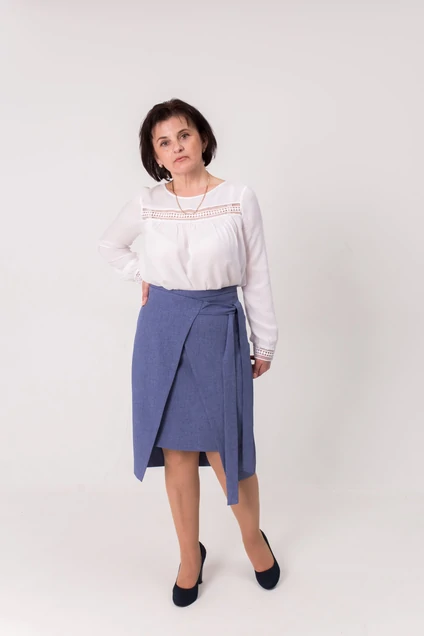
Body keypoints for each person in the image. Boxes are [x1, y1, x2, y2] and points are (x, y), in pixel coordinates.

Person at [98, 98, 280, 606]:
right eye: (164, 142)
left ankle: (252, 539)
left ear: (202, 138)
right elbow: (110, 246)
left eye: (183, 135)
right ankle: (188, 556)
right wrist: (143, 274)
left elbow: (256, 274)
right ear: (155, 155)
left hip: (218, 327)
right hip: (160, 330)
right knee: (177, 450)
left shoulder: (238, 198)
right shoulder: (147, 202)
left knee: (227, 447)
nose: (176, 147)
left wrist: (264, 339)